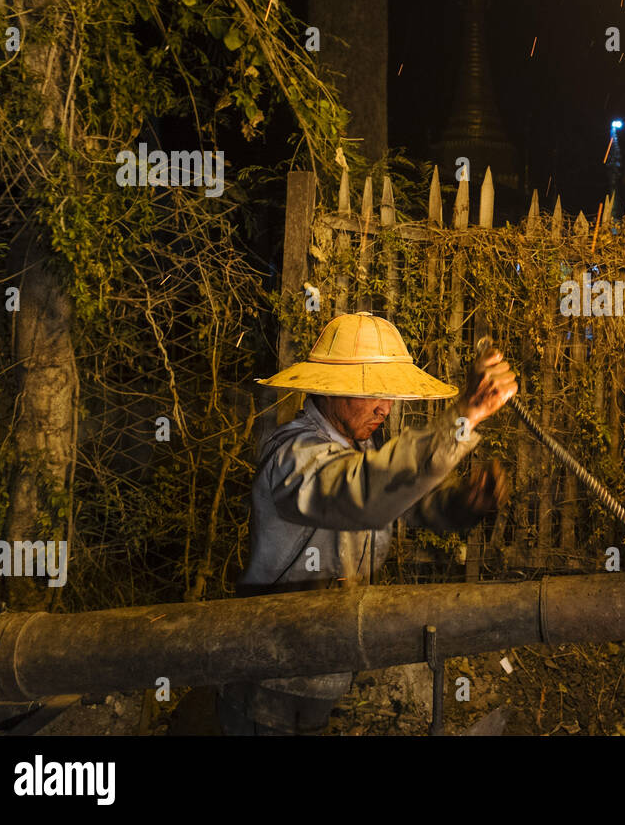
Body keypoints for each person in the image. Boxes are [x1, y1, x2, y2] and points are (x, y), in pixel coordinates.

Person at [216, 311, 517, 735]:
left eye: (389, 393)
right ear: (331, 390)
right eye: (372, 392)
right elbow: (362, 496)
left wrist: (462, 505)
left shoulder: (357, 449)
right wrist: (463, 417)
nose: (385, 406)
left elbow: (410, 507)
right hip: (268, 679)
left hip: (320, 674)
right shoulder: (293, 454)